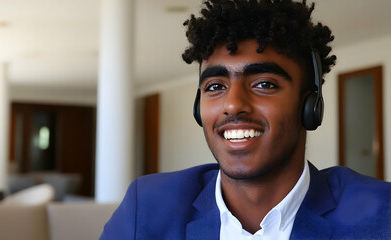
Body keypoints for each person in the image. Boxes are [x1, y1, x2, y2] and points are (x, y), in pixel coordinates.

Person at [100, 0, 391, 239]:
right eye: (215, 87)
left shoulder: (381, 215)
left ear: (309, 105)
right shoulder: (148, 207)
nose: (233, 104)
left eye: (264, 84)